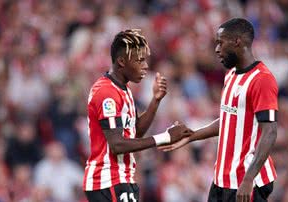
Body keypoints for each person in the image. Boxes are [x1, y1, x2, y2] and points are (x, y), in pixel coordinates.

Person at [159, 18, 278, 202]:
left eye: (220, 43)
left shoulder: (262, 79)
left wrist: (248, 178)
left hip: (246, 182)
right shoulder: (230, 75)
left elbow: (270, 131)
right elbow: (229, 121)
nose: (216, 49)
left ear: (237, 42)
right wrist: (191, 136)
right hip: (222, 179)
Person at [83, 29, 191, 202]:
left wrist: (155, 101)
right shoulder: (106, 92)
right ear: (121, 61)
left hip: (120, 179)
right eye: (139, 61)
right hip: (107, 180)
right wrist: (165, 138)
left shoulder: (122, 90)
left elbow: (134, 134)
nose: (146, 66)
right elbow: (117, 145)